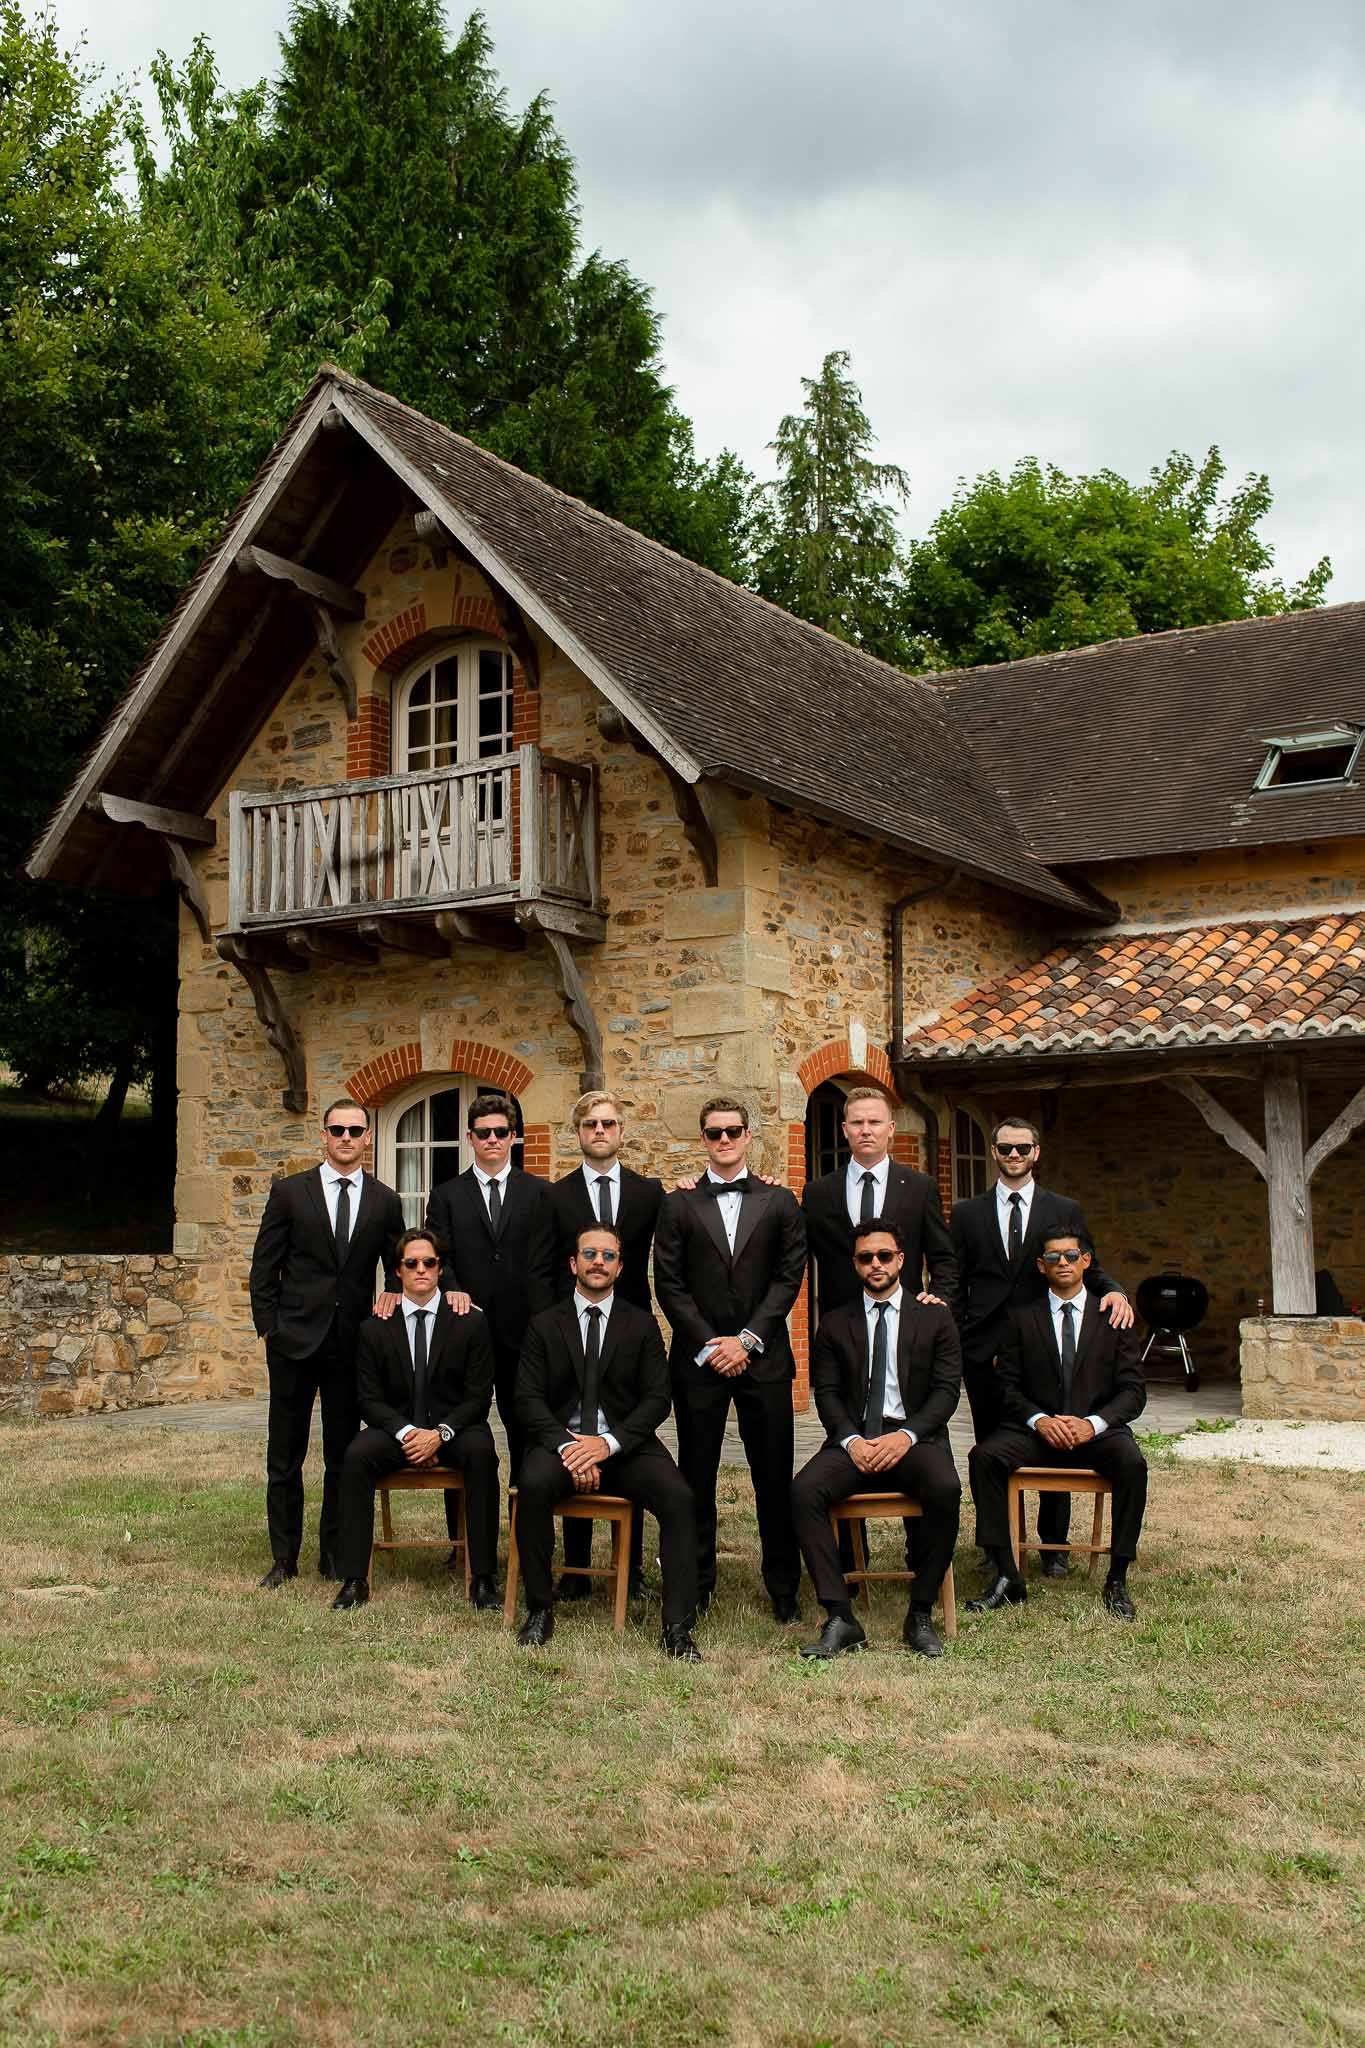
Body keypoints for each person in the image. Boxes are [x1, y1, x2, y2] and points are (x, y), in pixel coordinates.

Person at [950, 1115, 1131, 1570]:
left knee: (1057, 1433)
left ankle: (1054, 1548)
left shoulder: (1063, 1208)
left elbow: (1088, 1260)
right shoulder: (968, 1213)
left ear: (1037, 1153)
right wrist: (950, 1335)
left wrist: (1114, 1290)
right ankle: (999, 1548)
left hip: (1045, 1345)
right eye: (1006, 1148)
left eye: (1023, 1148)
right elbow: (955, 1278)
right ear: (994, 1153)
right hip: (984, 1347)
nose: (1014, 1155)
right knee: (992, 1446)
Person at [512, 1225, 702, 1660]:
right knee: (534, 1486)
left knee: (678, 1497)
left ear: (620, 1267)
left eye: (608, 1256)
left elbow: (657, 1399)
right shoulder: (544, 1325)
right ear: (573, 1264)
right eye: (590, 1254)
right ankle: (540, 1610)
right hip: (561, 1443)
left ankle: (677, 1627)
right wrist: (569, 1446)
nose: (599, 1262)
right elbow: (527, 1399)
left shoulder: (642, 1324)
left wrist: (607, 1444)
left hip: (624, 1447)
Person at [653, 1097, 807, 1623]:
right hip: (700, 1362)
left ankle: (783, 1586)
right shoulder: (677, 1205)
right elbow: (669, 1285)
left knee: (773, 1475)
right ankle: (696, 1584)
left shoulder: (781, 1201)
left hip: (763, 1360)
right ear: (702, 1139)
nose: (724, 1140)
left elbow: (789, 1278)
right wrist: (712, 1344)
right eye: (714, 1132)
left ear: (748, 1136)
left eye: (733, 1131)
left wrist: (747, 1340)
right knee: (697, 1474)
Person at [248, 1097, 404, 1588]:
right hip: (292, 1341)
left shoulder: (384, 1201)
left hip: (349, 1345)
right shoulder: (291, 1193)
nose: (346, 1139)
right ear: (323, 1135)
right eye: (337, 1130)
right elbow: (263, 1266)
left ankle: (334, 1554)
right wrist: (269, 1326)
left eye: (355, 1131)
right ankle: (283, 1558)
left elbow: (397, 1268)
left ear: (368, 1139)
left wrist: (390, 1299)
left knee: (342, 1455)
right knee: (285, 1455)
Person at [792, 1221, 962, 1658]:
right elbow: (826, 1393)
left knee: (945, 1487)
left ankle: (920, 1613)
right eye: (866, 1258)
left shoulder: (935, 1317)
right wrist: (851, 1440)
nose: (876, 1265)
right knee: (804, 1491)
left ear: (901, 1260)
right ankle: (839, 1615)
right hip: (856, 1440)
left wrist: (906, 1437)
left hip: (913, 1439)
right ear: (855, 1264)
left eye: (884, 1256)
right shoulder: (835, 1323)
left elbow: (946, 1392)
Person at [967, 1229, 1147, 1620]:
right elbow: (1006, 1387)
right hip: (1037, 1432)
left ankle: (1117, 1577)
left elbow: (1133, 1392)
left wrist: (1093, 1424)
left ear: (1086, 1260)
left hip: (1095, 1433)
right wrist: (1039, 1419)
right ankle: (1006, 1574)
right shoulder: (1020, 1319)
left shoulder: (1112, 1317)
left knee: (1132, 1461)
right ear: (1041, 1266)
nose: (1062, 1263)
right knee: (985, 1457)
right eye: (1053, 1257)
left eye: (1070, 1255)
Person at [527, 1089, 663, 1600]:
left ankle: (633, 1569)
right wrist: (549, 1328)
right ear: (578, 1134)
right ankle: (576, 1572)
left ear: (622, 1132)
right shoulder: (555, 1196)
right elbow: (542, 1269)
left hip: (628, 1337)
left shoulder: (650, 1193)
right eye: (590, 1125)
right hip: (570, 1333)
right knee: (576, 1430)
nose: (599, 1131)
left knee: (623, 1438)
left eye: (608, 1123)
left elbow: (667, 1256)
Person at [330, 1228, 500, 1611]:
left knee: (483, 1455)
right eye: (412, 1263)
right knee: (355, 1457)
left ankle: (484, 1578)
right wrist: (410, 1434)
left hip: (454, 1428)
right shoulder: (375, 1326)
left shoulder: (469, 1321)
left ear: (440, 1269)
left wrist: (439, 1435)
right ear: (398, 1271)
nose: (421, 1269)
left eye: (429, 1262)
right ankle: (355, 1578)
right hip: (397, 1429)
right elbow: (367, 1399)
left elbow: (478, 1397)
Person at [424, 1093, 550, 1488]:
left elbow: (547, 1261)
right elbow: (437, 1254)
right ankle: (462, 1545)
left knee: (526, 1431)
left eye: (500, 1132)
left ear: (513, 1137)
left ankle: (523, 1542)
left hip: (524, 1330)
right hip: (465, 1327)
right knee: (459, 1433)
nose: (492, 1139)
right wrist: (452, 1290)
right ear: (470, 1138)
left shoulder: (540, 1193)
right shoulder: (446, 1195)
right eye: (483, 1133)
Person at [801, 1086, 956, 1315]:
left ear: (891, 1128)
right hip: (840, 1325)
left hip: (907, 1323)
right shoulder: (818, 1193)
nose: (865, 1131)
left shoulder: (920, 1188)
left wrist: (939, 1299)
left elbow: (943, 1257)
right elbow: (794, 1254)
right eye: (857, 1123)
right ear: (845, 1129)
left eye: (874, 1122)